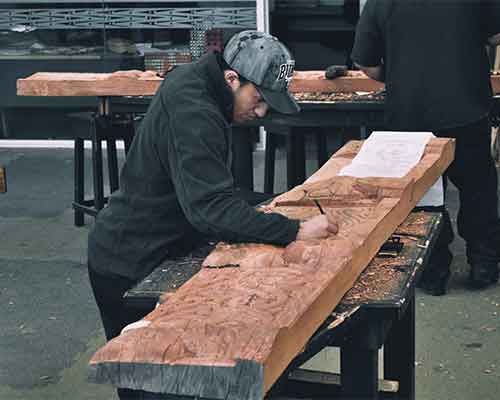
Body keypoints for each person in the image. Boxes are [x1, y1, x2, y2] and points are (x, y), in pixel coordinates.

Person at [87, 30, 338, 399]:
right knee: (153, 385)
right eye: (259, 98)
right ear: (232, 78)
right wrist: (293, 230)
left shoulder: (202, 86)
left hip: (165, 245)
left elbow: (211, 195)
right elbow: (210, 209)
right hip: (130, 262)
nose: (261, 112)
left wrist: (263, 211)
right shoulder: (194, 110)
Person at [351, 0, 500, 295]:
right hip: (466, 107)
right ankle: (484, 264)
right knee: (477, 189)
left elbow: (366, 62)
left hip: (411, 112)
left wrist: (398, 72)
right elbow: (496, 35)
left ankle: (432, 271)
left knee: (424, 196)